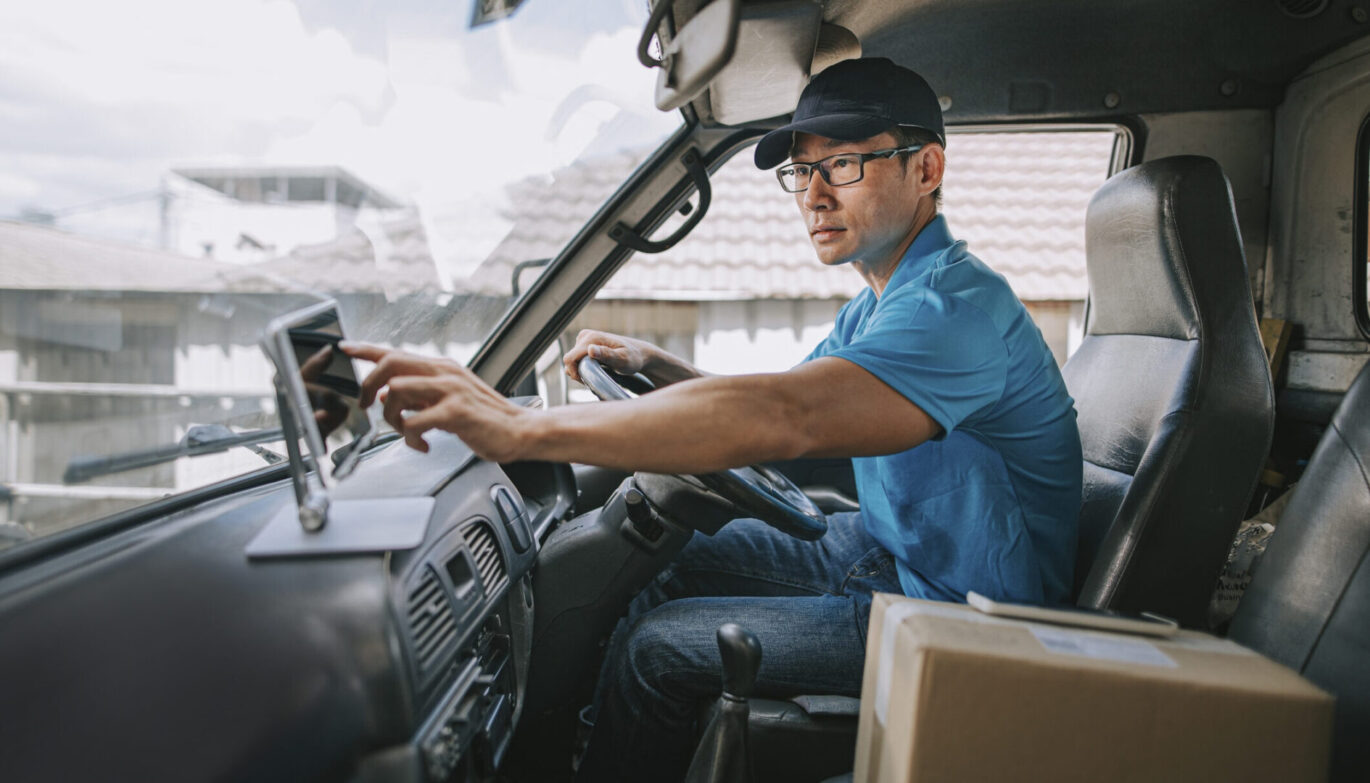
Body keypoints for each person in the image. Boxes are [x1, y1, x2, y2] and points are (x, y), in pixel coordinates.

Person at [345, 57, 1082, 782]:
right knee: (671, 564)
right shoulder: (885, 303)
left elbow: (784, 418)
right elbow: (784, 399)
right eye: (801, 171)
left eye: (845, 165)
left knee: (657, 649)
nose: (814, 195)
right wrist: (660, 367)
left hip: (959, 620)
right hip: (892, 555)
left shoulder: (950, 314)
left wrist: (520, 429)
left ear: (926, 170)